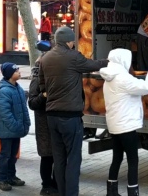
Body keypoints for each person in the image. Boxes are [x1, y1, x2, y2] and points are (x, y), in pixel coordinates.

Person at [39, 26, 108, 196]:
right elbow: (93, 65)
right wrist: (110, 61)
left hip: (52, 117)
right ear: (69, 41)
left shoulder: (45, 58)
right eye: (72, 41)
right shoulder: (73, 57)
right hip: (70, 117)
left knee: (59, 159)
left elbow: (42, 86)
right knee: (73, 160)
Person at [100, 49, 148, 196]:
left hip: (114, 125)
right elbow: (147, 87)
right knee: (133, 160)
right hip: (126, 126)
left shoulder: (109, 77)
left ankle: (111, 192)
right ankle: (133, 192)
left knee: (117, 158)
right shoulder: (123, 79)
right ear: (123, 61)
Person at [28, 41, 58, 195]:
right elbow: (32, 102)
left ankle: (55, 183)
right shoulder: (36, 77)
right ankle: (46, 185)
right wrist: (43, 96)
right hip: (43, 123)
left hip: (55, 121)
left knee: (56, 155)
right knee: (47, 156)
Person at [0, 62, 30, 192]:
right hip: (7, 131)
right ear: (10, 74)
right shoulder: (5, 91)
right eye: (16, 71)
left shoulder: (18, 88)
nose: (19, 72)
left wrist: (26, 122)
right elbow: (5, 114)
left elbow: (24, 109)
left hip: (16, 130)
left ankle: (11, 176)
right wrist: (16, 125)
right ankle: (2, 179)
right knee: (5, 155)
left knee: (13, 154)